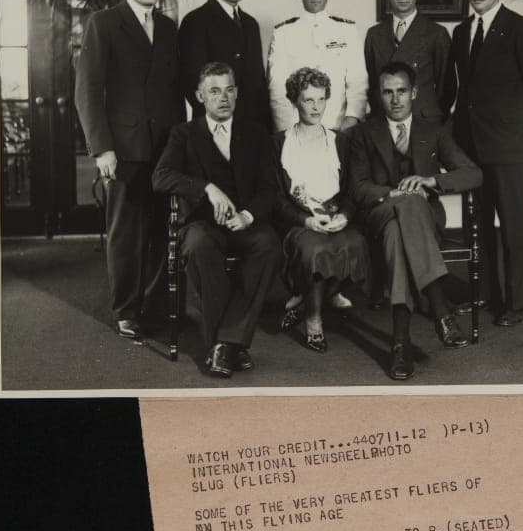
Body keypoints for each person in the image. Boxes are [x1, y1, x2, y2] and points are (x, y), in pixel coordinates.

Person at [74, 0, 185, 339]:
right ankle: (126, 310)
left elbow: (175, 89)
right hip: (122, 148)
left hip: (164, 148)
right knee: (126, 231)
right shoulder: (103, 23)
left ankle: (152, 306)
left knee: (160, 228)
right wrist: (102, 148)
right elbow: (86, 91)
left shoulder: (169, 28)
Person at [349, 62, 482, 381]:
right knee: (402, 209)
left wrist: (432, 181)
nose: (395, 99)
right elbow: (357, 187)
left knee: (399, 233)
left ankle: (400, 343)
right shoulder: (364, 133)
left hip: (423, 221)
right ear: (378, 95)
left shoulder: (433, 131)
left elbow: (473, 173)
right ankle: (440, 309)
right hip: (380, 215)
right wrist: (394, 192)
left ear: (414, 93)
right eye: (387, 92)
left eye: (402, 91)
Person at [152, 62, 281, 378]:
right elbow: (160, 177)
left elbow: (271, 188)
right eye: (214, 91)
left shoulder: (255, 132)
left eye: (229, 89)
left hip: (245, 224)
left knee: (269, 246)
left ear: (236, 92)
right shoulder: (184, 134)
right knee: (196, 245)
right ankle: (232, 343)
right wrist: (206, 188)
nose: (223, 97)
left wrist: (248, 215)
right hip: (203, 225)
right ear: (199, 96)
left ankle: (223, 345)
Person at [452, 0, 523, 326]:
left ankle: (518, 303)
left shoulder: (521, 29)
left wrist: (504, 115)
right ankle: (485, 294)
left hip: (507, 146)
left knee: (512, 227)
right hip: (470, 147)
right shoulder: (462, 32)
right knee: (476, 227)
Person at [273, 68, 370, 352]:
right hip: (300, 221)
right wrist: (306, 220)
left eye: (320, 99)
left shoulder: (339, 141)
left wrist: (345, 215)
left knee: (355, 242)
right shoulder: (279, 143)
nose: (316, 107)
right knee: (316, 250)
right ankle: (314, 320)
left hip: (335, 217)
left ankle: (305, 301)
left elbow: (353, 189)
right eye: (307, 100)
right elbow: (276, 199)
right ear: (294, 101)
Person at [267, 0, 368, 134]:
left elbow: (358, 83)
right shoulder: (283, 33)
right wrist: (289, 132)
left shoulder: (347, 31)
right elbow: (277, 90)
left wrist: (351, 121)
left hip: (340, 127)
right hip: (297, 129)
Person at [178, 0, 270, 128]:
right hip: (215, 129)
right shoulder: (195, 22)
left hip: (253, 129)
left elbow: (259, 84)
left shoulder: (250, 24)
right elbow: (193, 84)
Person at [364, 0, 456, 123]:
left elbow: (447, 88)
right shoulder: (374, 34)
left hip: (424, 123)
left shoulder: (436, 33)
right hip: (383, 123)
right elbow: (372, 85)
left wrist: (431, 116)